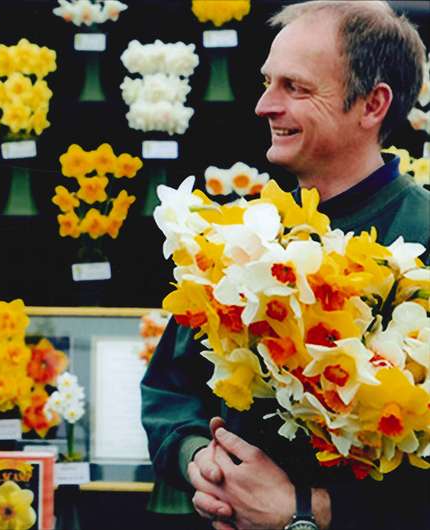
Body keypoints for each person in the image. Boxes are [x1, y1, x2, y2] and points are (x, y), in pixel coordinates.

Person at [141, 2, 429, 530]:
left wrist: (308, 512)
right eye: (267, 82)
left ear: (372, 104)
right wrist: (200, 460)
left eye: (294, 87)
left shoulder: (423, 240)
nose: (263, 105)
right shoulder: (239, 239)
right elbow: (169, 393)